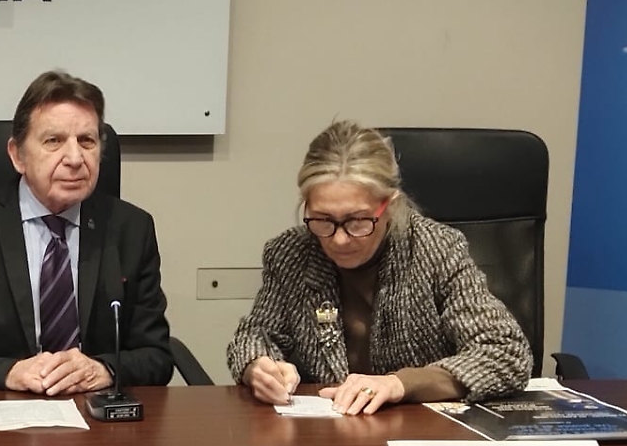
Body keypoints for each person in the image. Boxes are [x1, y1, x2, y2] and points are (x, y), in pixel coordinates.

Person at [226, 121, 530, 414]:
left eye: (358, 221)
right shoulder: (292, 253)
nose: (340, 239)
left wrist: (401, 384)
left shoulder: (436, 249)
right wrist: (258, 366)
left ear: (390, 205)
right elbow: (254, 336)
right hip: (324, 431)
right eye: (323, 220)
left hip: (419, 429)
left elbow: (507, 353)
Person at [0, 71, 174, 393]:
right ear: (18, 155)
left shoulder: (131, 230)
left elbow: (157, 356)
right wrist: (8, 373)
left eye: (87, 141)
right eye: (54, 141)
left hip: (93, 409)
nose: (75, 159)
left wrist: (103, 368)